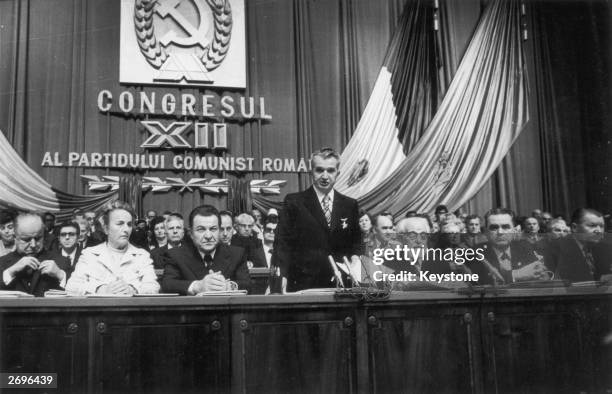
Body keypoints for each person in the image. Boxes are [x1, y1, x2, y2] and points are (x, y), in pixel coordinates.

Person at [272, 147, 362, 292]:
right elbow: (282, 244)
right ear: (311, 172)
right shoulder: (294, 202)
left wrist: (356, 258)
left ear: (338, 173)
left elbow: (357, 241)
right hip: (303, 284)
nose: (325, 176)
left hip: (342, 285)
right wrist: (282, 276)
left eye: (331, 170)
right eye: (319, 170)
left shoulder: (350, 205)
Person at [65, 201, 159, 295]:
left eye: (129, 224)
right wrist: (99, 289)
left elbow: (153, 287)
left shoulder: (142, 256)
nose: (126, 229)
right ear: (106, 228)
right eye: (120, 224)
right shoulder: (89, 254)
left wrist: (133, 289)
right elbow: (72, 287)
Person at [161, 205, 251, 294]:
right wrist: (197, 286)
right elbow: (167, 284)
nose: (208, 236)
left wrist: (229, 286)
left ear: (219, 230)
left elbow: (247, 284)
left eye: (213, 229)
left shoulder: (237, 254)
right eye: (201, 230)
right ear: (191, 233)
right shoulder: (175, 255)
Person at [468, 208, 546, 285]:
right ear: (485, 232)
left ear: (514, 230)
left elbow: (539, 274)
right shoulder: (475, 252)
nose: (500, 232)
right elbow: (479, 281)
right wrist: (516, 275)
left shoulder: (524, 247)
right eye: (494, 228)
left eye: (505, 227)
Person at [0, 212, 69, 296]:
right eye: (26, 239)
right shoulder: (2, 263)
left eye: (37, 238)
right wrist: (10, 272)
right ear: (14, 237)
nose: (33, 245)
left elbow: (77, 293)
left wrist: (60, 275)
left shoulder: (61, 261)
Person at [544, 208, 612, 282]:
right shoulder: (557, 247)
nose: (599, 231)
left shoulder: (605, 247)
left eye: (602, 226)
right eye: (592, 226)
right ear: (574, 227)